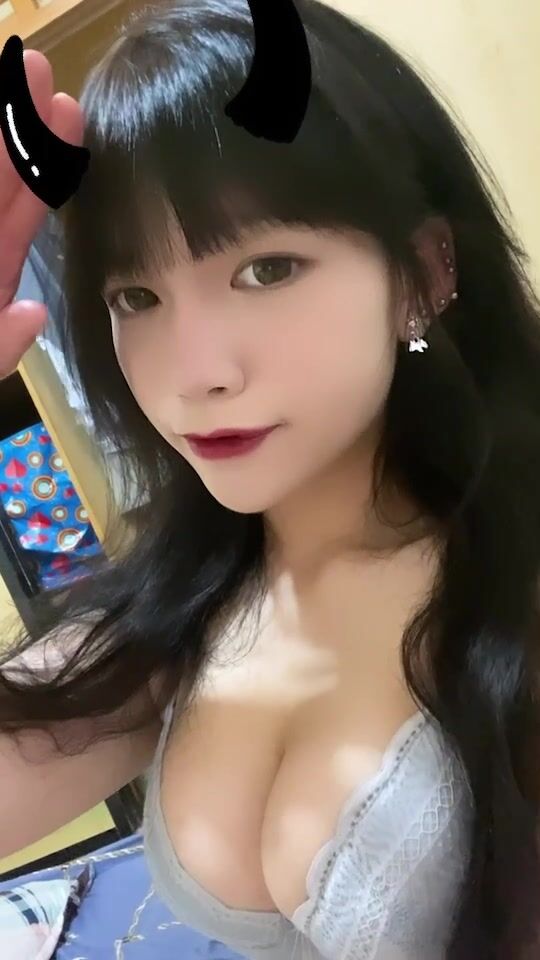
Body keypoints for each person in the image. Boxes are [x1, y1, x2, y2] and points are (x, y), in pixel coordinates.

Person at [1, 1, 540, 956]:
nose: (196, 372)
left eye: (267, 269)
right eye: (137, 296)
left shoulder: (515, 595)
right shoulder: (187, 606)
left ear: (424, 272)